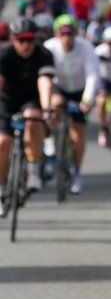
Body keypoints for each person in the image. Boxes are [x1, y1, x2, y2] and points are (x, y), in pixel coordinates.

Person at [0, 18, 55, 214]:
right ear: (13, 40)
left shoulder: (43, 54)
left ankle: (33, 169)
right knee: (2, 142)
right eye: (20, 40)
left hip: (31, 99)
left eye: (30, 40)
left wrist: (47, 108)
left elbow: (45, 82)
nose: (25, 45)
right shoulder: (4, 55)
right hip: (6, 101)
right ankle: (1, 187)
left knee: (33, 117)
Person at [45, 14, 98, 195]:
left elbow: (92, 75)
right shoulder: (49, 48)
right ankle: (51, 141)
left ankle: (76, 171)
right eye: (63, 34)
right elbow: (45, 77)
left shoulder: (86, 48)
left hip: (78, 91)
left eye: (70, 34)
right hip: (58, 87)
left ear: (75, 34)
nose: (67, 38)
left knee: (77, 133)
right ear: (57, 34)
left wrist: (87, 99)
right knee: (54, 105)